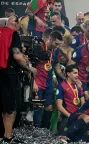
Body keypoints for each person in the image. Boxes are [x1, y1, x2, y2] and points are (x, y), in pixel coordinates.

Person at [0, 15, 37, 143]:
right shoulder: (13, 33)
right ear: (15, 24)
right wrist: (29, 68)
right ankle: (8, 137)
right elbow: (16, 55)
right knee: (10, 108)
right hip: (8, 73)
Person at [33, 31, 63, 128]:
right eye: (56, 44)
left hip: (48, 82)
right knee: (37, 106)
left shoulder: (56, 51)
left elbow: (56, 66)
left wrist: (64, 77)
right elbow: (31, 67)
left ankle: (44, 130)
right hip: (38, 81)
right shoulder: (38, 47)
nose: (57, 46)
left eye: (59, 44)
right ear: (50, 39)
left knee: (49, 107)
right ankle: (36, 129)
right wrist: (33, 83)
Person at [56, 65, 85, 134]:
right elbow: (59, 106)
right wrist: (71, 116)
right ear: (68, 74)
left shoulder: (78, 85)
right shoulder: (62, 86)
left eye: (77, 73)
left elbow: (83, 104)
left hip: (78, 116)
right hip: (67, 117)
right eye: (75, 73)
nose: (77, 75)